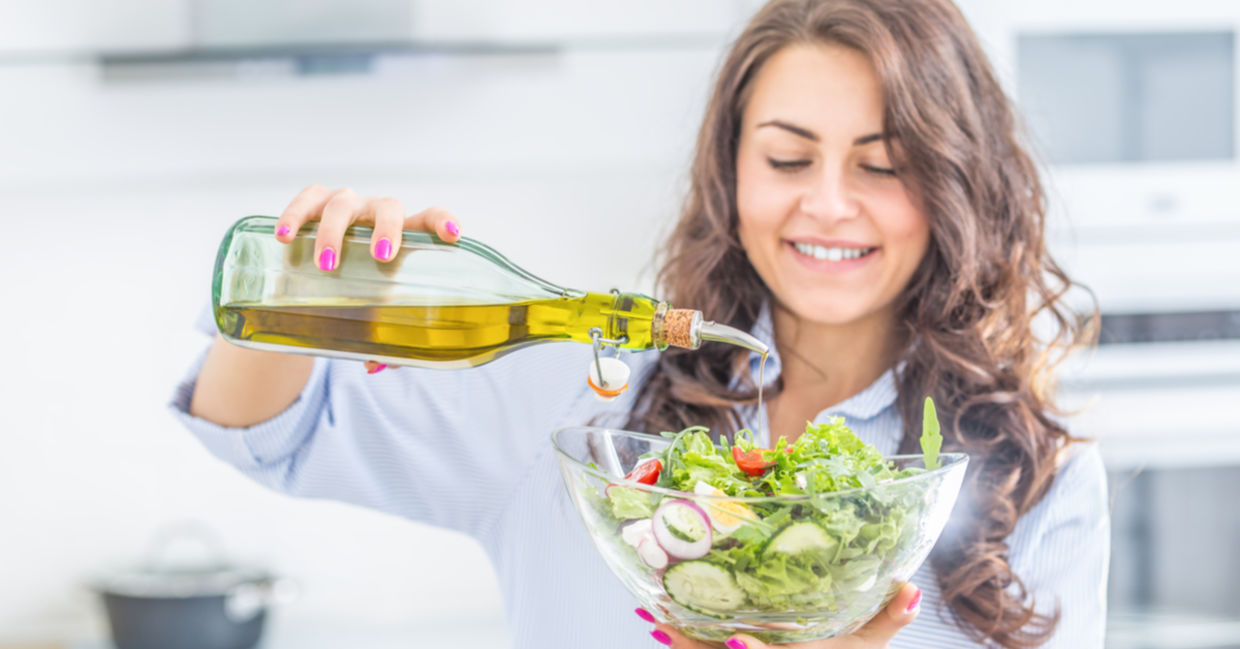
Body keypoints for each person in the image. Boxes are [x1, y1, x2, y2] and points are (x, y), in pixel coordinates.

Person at [171, 0, 1109, 647]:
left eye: (882, 164)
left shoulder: (1033, 474)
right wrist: (294, 299)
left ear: (954, 184)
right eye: (788, 158)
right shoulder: (585, 396)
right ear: (731, 172)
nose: (828, 205)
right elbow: (268, 434)